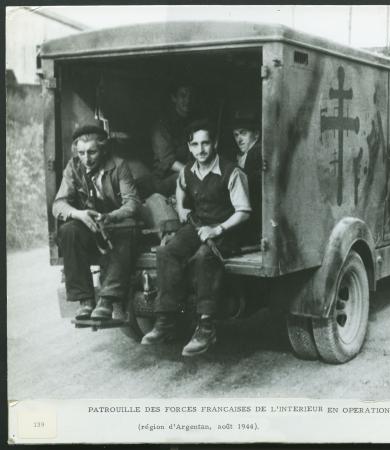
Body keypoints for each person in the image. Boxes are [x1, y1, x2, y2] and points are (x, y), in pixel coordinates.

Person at [141, 119, 251, 356]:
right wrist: (181, 207)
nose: (201, 150)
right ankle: (166, 319)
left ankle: (206, 327)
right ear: (189, 147)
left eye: (205, 143)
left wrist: (218, 230)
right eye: (195, 145)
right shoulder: (188, 170)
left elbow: (244, 212)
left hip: (228, 230)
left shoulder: (232, 172)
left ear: (215, 144)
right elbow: (180, 186)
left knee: (203, 257)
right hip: (198, 225)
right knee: (167, 252)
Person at [53, 124, 141, 320]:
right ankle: (85, 300)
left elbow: (133, 203)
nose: (86, 158)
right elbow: (58, 204)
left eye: (92, 152)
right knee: (68, 230)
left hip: (116, 225)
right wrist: (79, 214)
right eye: (81, 153)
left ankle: (107, 300)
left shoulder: (119, 165)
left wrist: (110, 217)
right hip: (91, 228)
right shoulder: (73, 166)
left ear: (103, 149)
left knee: (128, 230)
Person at [136, 83, 194, 198]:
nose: (188, 100)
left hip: (187, 172)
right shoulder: (162, 126)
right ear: (174, 98)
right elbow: (169, 161)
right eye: (183, 96)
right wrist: (193, 174)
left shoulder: (191, 123)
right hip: (165, 179)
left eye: (190, 96)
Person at [231, 108, 262, 245]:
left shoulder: (255, 152)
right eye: (236, 135)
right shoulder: (245, 155)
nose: (239, 139)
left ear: (256, 134)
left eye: (243, 133)